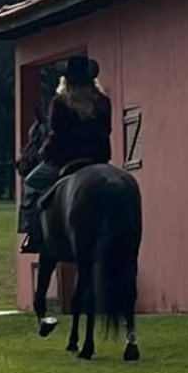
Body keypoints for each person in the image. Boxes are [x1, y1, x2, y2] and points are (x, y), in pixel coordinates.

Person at [18, 55, 112, 254]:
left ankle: (33, 236)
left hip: (65, 159)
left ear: (66, 80)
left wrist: (45, 152)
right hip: (98, 159)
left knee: (31, 184)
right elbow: (107, 130)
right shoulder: (103, 102)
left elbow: (56, 134)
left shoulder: (60, 103)